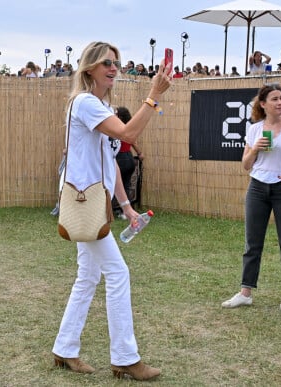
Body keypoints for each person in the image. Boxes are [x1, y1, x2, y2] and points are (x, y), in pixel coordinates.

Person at [51, 41, 171, 381]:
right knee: (117, 274)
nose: (113, 67)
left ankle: (64, 348)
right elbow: (129, 133)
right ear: (89, 68)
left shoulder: (98, 105)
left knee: (88, 277)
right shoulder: (86, 103)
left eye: (115, 62)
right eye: (106, 62)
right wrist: (154, 94)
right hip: (86, 205)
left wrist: (127, 207)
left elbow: (110, 163)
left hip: (93, 204)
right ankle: (125, 358)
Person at [222, 85, 281, 311]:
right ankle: (245, 292)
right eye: (275, 99)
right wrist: (254, 150)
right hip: (258, 188)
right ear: (263, 104)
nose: (280, 102)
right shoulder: (254, 130)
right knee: (252, 242)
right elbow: (245, 165)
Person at [115, 106, 144, 217]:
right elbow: (133, 142)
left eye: (116, 114)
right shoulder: (129, 128)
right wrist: (140, 153)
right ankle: (124, 211)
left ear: (120, 116)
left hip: (120, 158)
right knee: (126, 185)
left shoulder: (117, 128)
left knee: (116, 185)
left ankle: (119, 210)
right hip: (129, 158)